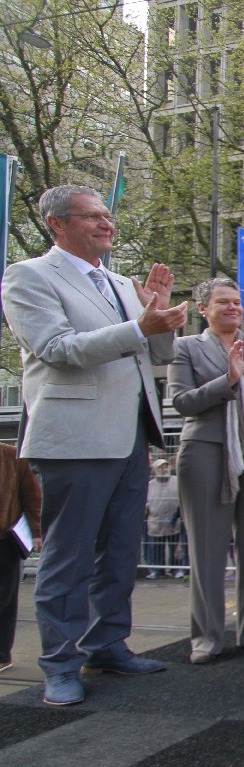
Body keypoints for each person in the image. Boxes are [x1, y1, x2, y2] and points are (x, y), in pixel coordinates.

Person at [1, 184, 187, 706]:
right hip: (75, 437)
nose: (107, 223)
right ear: (57, 224)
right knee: (69, 554)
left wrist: (158, 316)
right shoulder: (27, 276)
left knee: (121, 550)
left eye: (107, 215)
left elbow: (157, 353)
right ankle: (60, 664)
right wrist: (138, 326)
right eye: (92, 216)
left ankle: (107, 644)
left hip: (130, 434)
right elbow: (57, 348)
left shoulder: (121, 284)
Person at [168, 277, 244, 665]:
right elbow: (182, 402)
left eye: (237, 301)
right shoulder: (185, 347)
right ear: (202, 309)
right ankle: (207, 637)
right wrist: (229, 381)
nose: (233, 307)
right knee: (207, 545)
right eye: (223, 302)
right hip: (206, 450)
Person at [1, 443, 42, 674]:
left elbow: (32, 495)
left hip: (5, 541)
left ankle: (2, 655)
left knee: (5, 600)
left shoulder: (12, 457)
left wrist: (36, 531)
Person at [144, 459, 179, 579]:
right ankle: (157, 570)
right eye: (160, 468)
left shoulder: (177, 481)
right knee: (156, 548)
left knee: (175, 547)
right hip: (155, 523)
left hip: (174, 523)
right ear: (155, 470)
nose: (164, 470)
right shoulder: (150, 485)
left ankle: (175, 569)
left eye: (165, 467)